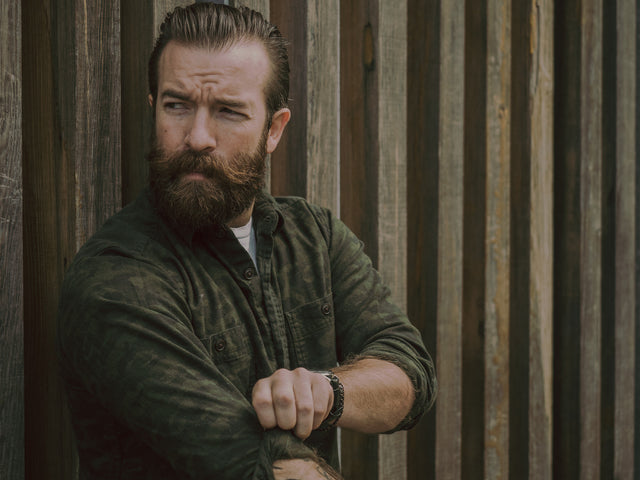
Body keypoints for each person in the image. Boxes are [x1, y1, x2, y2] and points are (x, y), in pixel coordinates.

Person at [56, 3, 437, 479]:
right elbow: (263, 467)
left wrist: (328, 391)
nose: (198, 137)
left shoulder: (314, 236)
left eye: (228, 111)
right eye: (177, 106)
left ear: (273, 129)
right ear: (155, 109)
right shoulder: (115, 280)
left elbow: (409, 371)